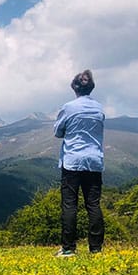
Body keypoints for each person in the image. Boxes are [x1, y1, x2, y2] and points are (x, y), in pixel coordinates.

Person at [53, 69, 105, 257]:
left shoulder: (68, 107)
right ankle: (96, 249)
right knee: (93, 204)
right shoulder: (99, 108)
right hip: (94, 161)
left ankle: (68, 249)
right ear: (91, 88)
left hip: (72, 161)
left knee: (69, 204)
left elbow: (58, 132)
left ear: (75, 87)